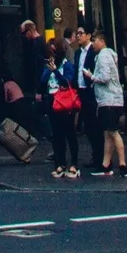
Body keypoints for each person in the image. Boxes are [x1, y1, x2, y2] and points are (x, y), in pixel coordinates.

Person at [87, 25, 127, 179]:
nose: (92, 44)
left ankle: (123, 164)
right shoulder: (110, 55)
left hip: (108, 100)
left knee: (113, 132)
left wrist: (91, 76)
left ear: (102, 41)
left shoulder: (103, 56)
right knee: (107, 134)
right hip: (113, 100)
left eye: (95, 40)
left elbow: (104, 77)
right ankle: (105, 165)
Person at [45, 31, 87, 179]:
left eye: (54, 51)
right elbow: (42, 82)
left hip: (65, 103)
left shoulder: (67, 66)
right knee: (57, 135)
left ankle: (74, 163)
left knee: (69, 133)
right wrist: (48, 70)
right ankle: (60, 163)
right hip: (52, 101)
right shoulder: (48, 66)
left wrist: (55, 72)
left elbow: (67, 82)